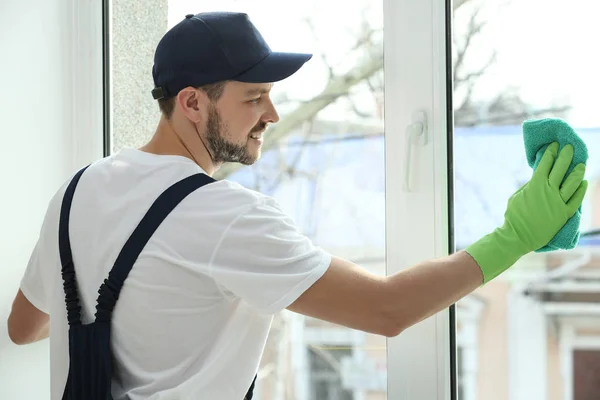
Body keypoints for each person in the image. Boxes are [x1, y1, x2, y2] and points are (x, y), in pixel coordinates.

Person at [7, 10, 587, 400]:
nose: (272, 114)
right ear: (191, 103)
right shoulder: (224, 217)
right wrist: (514, 236)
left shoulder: (77, 191)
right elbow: (386, 311)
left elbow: (23, 326)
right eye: (254, 97)